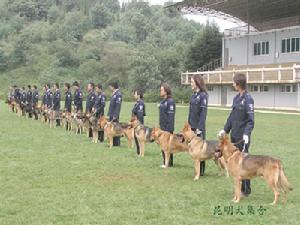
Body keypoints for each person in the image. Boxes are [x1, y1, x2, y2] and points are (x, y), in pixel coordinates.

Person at [218, 73, 254, 197]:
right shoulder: (236, 98)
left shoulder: (248, 99)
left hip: (243, 137)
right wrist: (225, 130)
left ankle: (246, 190)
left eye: (234, 82)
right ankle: (239, 189)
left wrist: (246, 134)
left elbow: (251, 120)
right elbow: (232, 117)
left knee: (244, 164)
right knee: (235, 164)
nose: (233, 84)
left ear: (238, 84)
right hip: (234, 136)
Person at [188, 74, 208, 176]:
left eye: (192, 82)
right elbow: (191, 112)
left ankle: (201, 171)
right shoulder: (193, 96)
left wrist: (200, 128)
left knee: (200, 149)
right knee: (193, 148)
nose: (190, 84)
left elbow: (203, 113)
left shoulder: (203, 95)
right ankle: (197, 170)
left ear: (197, 82)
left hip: (199, 127)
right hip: (192, 126)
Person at [159, 83, 175, 167]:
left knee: (168, 146)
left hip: (167, 128)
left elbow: (171, 116)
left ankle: (169, 163)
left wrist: (169, 129)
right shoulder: (163, 101)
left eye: (161, 90)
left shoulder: (170, 101)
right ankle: (165, 162)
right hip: (162, 127)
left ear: (166, 91)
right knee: (163, 146)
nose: (160, 91)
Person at [107, 81, 122, 146]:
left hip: (114, 115)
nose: (109, 88)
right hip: (111, 113)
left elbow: (118, 106)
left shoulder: (118, 94)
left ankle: (117, 143)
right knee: (111, 129)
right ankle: (112, 143)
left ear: (113, 87)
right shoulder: (114, 93)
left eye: (110, 87)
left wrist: (115, 115)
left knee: (116, 128)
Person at [132, 89, 146, 155]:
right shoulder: (137, 103)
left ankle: (140, 152)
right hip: (135, 124)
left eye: (135, 94)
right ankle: (138, 151)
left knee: (139, 138)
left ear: (138, 95)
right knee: (136, 138)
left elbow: (140, 115)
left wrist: (138, 125)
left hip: (139, 124)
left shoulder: (141, 103)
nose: (134, 95)